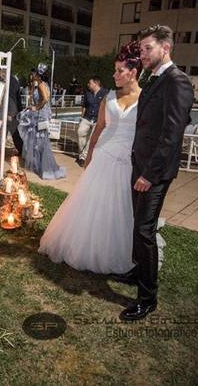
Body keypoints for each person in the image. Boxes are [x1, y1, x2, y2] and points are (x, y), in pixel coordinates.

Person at [39, 42, 142, 274]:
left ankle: (116, 250)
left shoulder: (145, 99)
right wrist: (89, 158)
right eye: (114, 70)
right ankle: (82, 245)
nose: (114, 75)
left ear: (133, 72)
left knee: (119, 208)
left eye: (119, 71)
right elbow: (98, 130)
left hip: (127, 161)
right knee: (90, 203)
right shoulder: (109, 97)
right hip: (104, 157)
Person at [117, 24, 194, 322]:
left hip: (154, 172)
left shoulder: (178, 82)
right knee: (139, 225)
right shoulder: (153, 79)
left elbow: (172, 135)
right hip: (141, 165)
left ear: (166, 48)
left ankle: (147, 299)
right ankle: (139, 272)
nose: (143, 54)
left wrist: (149, 174)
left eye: (148, 48)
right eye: (141, 49)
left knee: (144, 231)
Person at [17, 64, 66, 180]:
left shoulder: (40, 85)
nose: (32, 75)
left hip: (41, 117)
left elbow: (45, 99)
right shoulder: (43, 85)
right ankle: (41, 166)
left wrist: (36, 107)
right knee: (40, 142)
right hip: (42, 116)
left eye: (34, 74)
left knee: (42, 142)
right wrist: (33, 106)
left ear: (38, 75)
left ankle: (47, 169)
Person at [77, 76, 108, 167]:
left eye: (89, 83)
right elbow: (84, 106)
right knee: (80, 132)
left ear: (96, 83)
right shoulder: (88, 94)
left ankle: (84, 157)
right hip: (87, 118)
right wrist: (81, 117)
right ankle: (83, 154)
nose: (88, 85)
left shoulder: (106, 93)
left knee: (91, 139)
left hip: (98, 120)